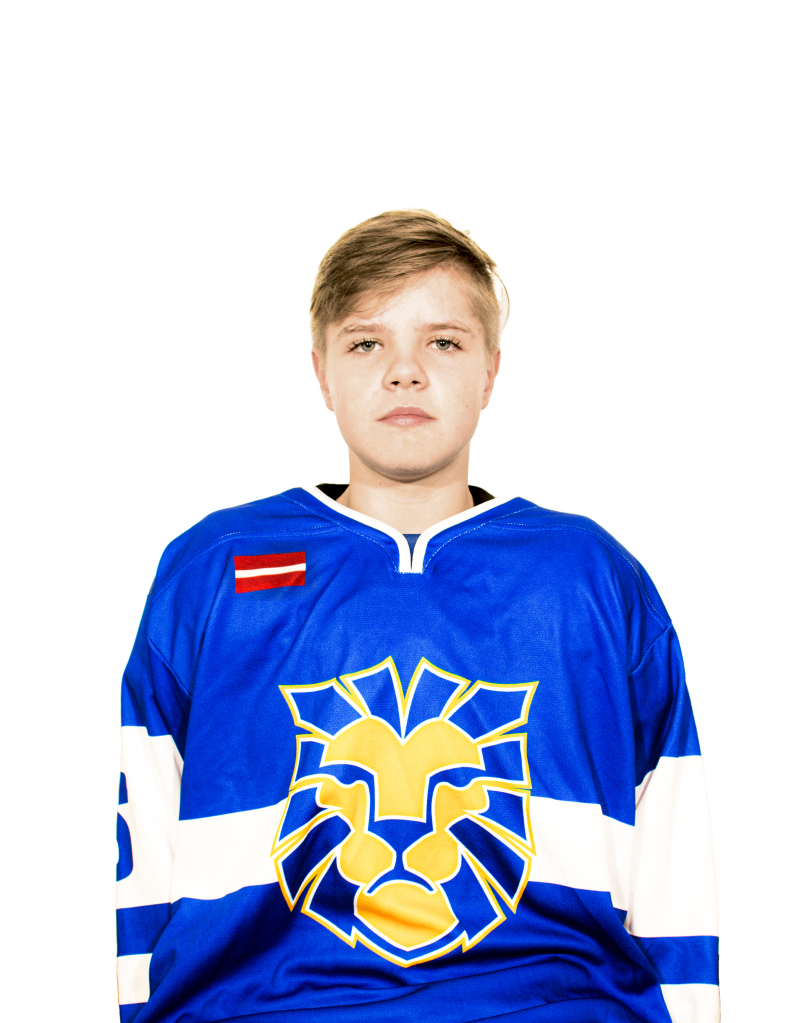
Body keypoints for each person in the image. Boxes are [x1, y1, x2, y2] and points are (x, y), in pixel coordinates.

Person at [116, 211, 719, 1023]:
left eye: (443, 342)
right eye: (367, 342)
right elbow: (142, 832)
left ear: (491, 371)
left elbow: (673, 844)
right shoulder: (211, 568)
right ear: (321, 373)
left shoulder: (590, 577)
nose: (405, 372)